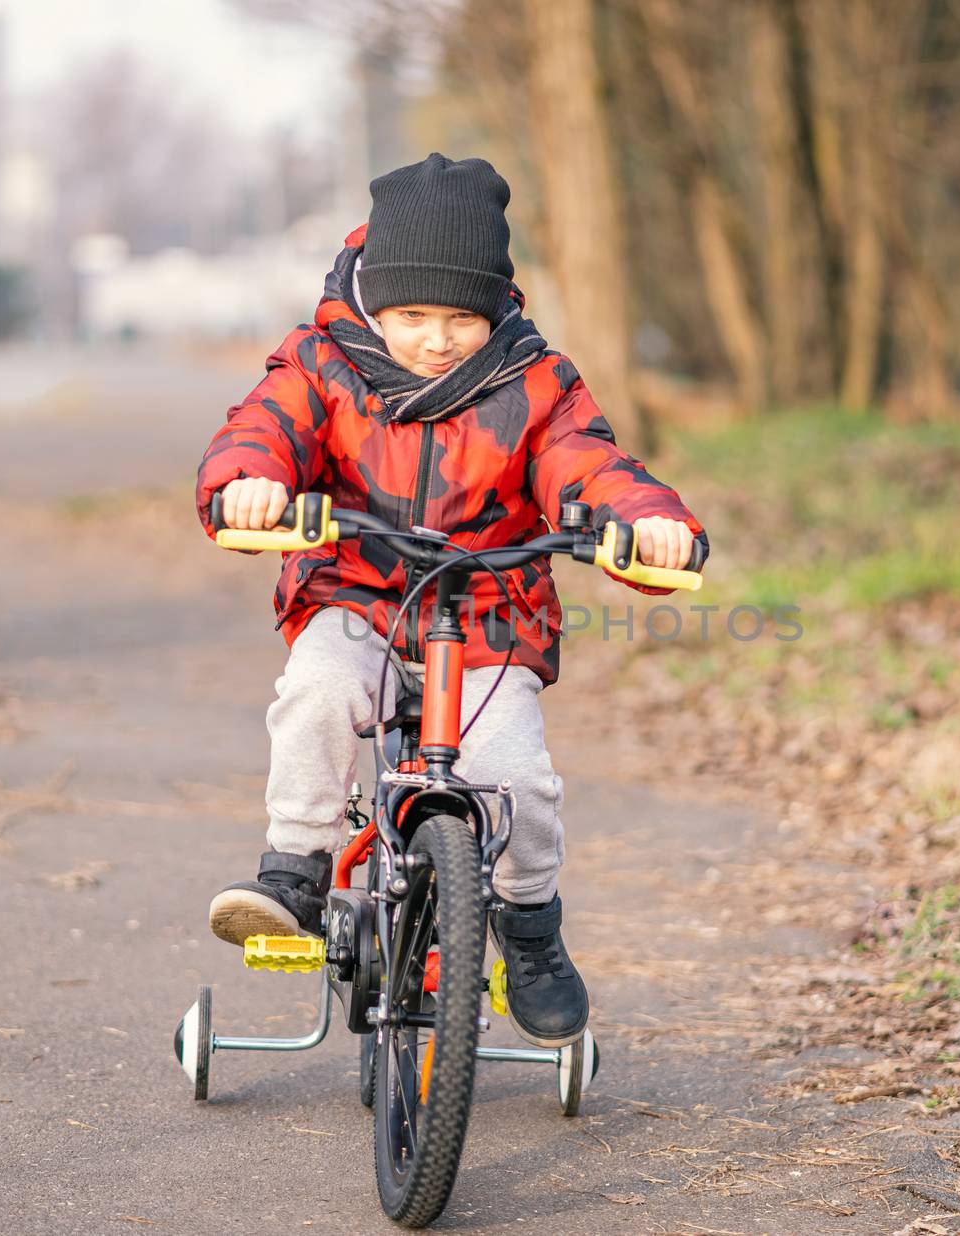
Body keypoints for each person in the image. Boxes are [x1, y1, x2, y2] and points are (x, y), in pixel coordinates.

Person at [194, 153, 706, 1048]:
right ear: (374, 302)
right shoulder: (321, 365)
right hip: (356, 594)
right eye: (413, 317)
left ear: (497, 307)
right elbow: (260, 431)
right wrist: (251, 485)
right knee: (316, 688)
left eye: (461, 318)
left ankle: (530, 928)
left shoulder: (533, 381)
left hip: (486, 615)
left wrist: (645, 521)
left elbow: (588, 464)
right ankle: (295, 873)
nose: (436, 339)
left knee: (518, 779)